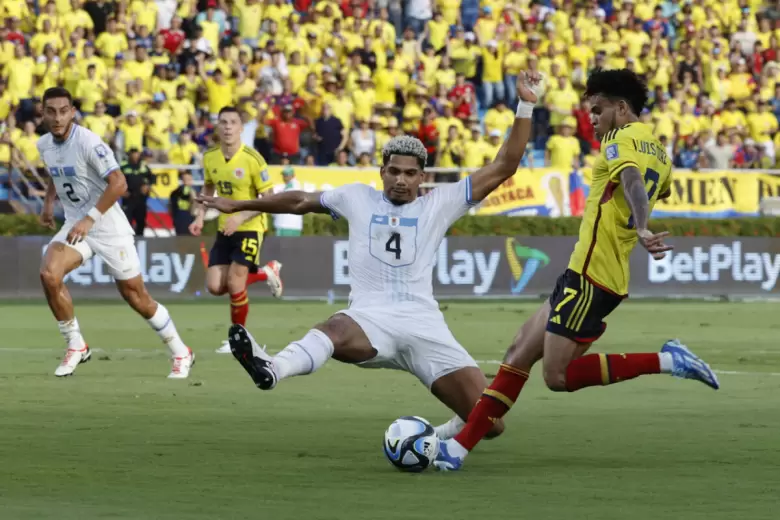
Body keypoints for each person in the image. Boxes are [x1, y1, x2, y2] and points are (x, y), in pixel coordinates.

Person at [197, 72, 545, 441]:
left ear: (421, 178)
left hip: (424, 324)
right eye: (393, 171)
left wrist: (525, 104)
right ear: (381, 171)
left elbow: (506, 165)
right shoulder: (356, 197)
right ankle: (273, 367)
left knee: (490, 425)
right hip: (368, 319)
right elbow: (299, 200)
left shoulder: (441, 203)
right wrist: (243, 202)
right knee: (333, 328)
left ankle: (429, 438)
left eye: (410, 174)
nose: (400, 180)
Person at [432, 69, 720, 472]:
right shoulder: (660, 150)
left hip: (593, 276)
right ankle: (457, 448)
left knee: (557, 376)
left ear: (622, 108)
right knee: (518, 351)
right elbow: (658, 185)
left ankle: (667, 360)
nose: (594, 119)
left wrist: (639, 225)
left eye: (599, 110)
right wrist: (637, 211)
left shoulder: (620, 140)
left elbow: (634, 180)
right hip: (588, 273)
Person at [36, 87, 194, 379]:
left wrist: (90, 219)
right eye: (51, 111)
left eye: (63, 111)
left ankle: (181, 351)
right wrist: (48, 203)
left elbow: (119, 183)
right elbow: (54, 173)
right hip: (76, 224)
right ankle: (76, 345)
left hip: (107, 226)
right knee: (49, 273)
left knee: (137, 297)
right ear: (42, 112)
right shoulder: (44, 144)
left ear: (73, 112)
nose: (57, 117)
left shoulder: (88, 141)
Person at [189, 106, 284, 354]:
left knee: (235, 281)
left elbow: (269, 198)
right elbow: (208, 188)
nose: (228, 127)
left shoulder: (253, 159)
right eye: (223, 122)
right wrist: (200, 216)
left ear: (241, 129)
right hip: (224, 228)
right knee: (215, 286)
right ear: (217, 128)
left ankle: (238, 339)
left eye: (233, 122)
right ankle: (265, 272)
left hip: (251, 227)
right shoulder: (210, 157)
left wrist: (240, 217)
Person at [120, 148, 155, 236]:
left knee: (141, 220)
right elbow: (117, 180)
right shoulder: (124, 166)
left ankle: (140, 238)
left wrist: (147, 186)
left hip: (141, 198)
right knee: (127, 221)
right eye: (133, 154)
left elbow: (152, 178)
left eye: (137, 154)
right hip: (128, 197)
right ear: (129, 155)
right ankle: (127, 239)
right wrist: (121, 192)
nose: (135, 156)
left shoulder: (143, 166)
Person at [273, 166, 303, 236]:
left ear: (293, 176)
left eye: (286, 175)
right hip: (285, 225)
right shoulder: (284, 187)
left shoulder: (294, 185)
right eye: (284, 175)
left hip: (287, 225)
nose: (284, 177)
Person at [169, 170, 195, 235]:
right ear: (182, 180)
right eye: (186, 179)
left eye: (189, 179)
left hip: (184, 215)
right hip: (183, 215)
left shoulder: (177, 191)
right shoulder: (185, 190)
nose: (187, 181)